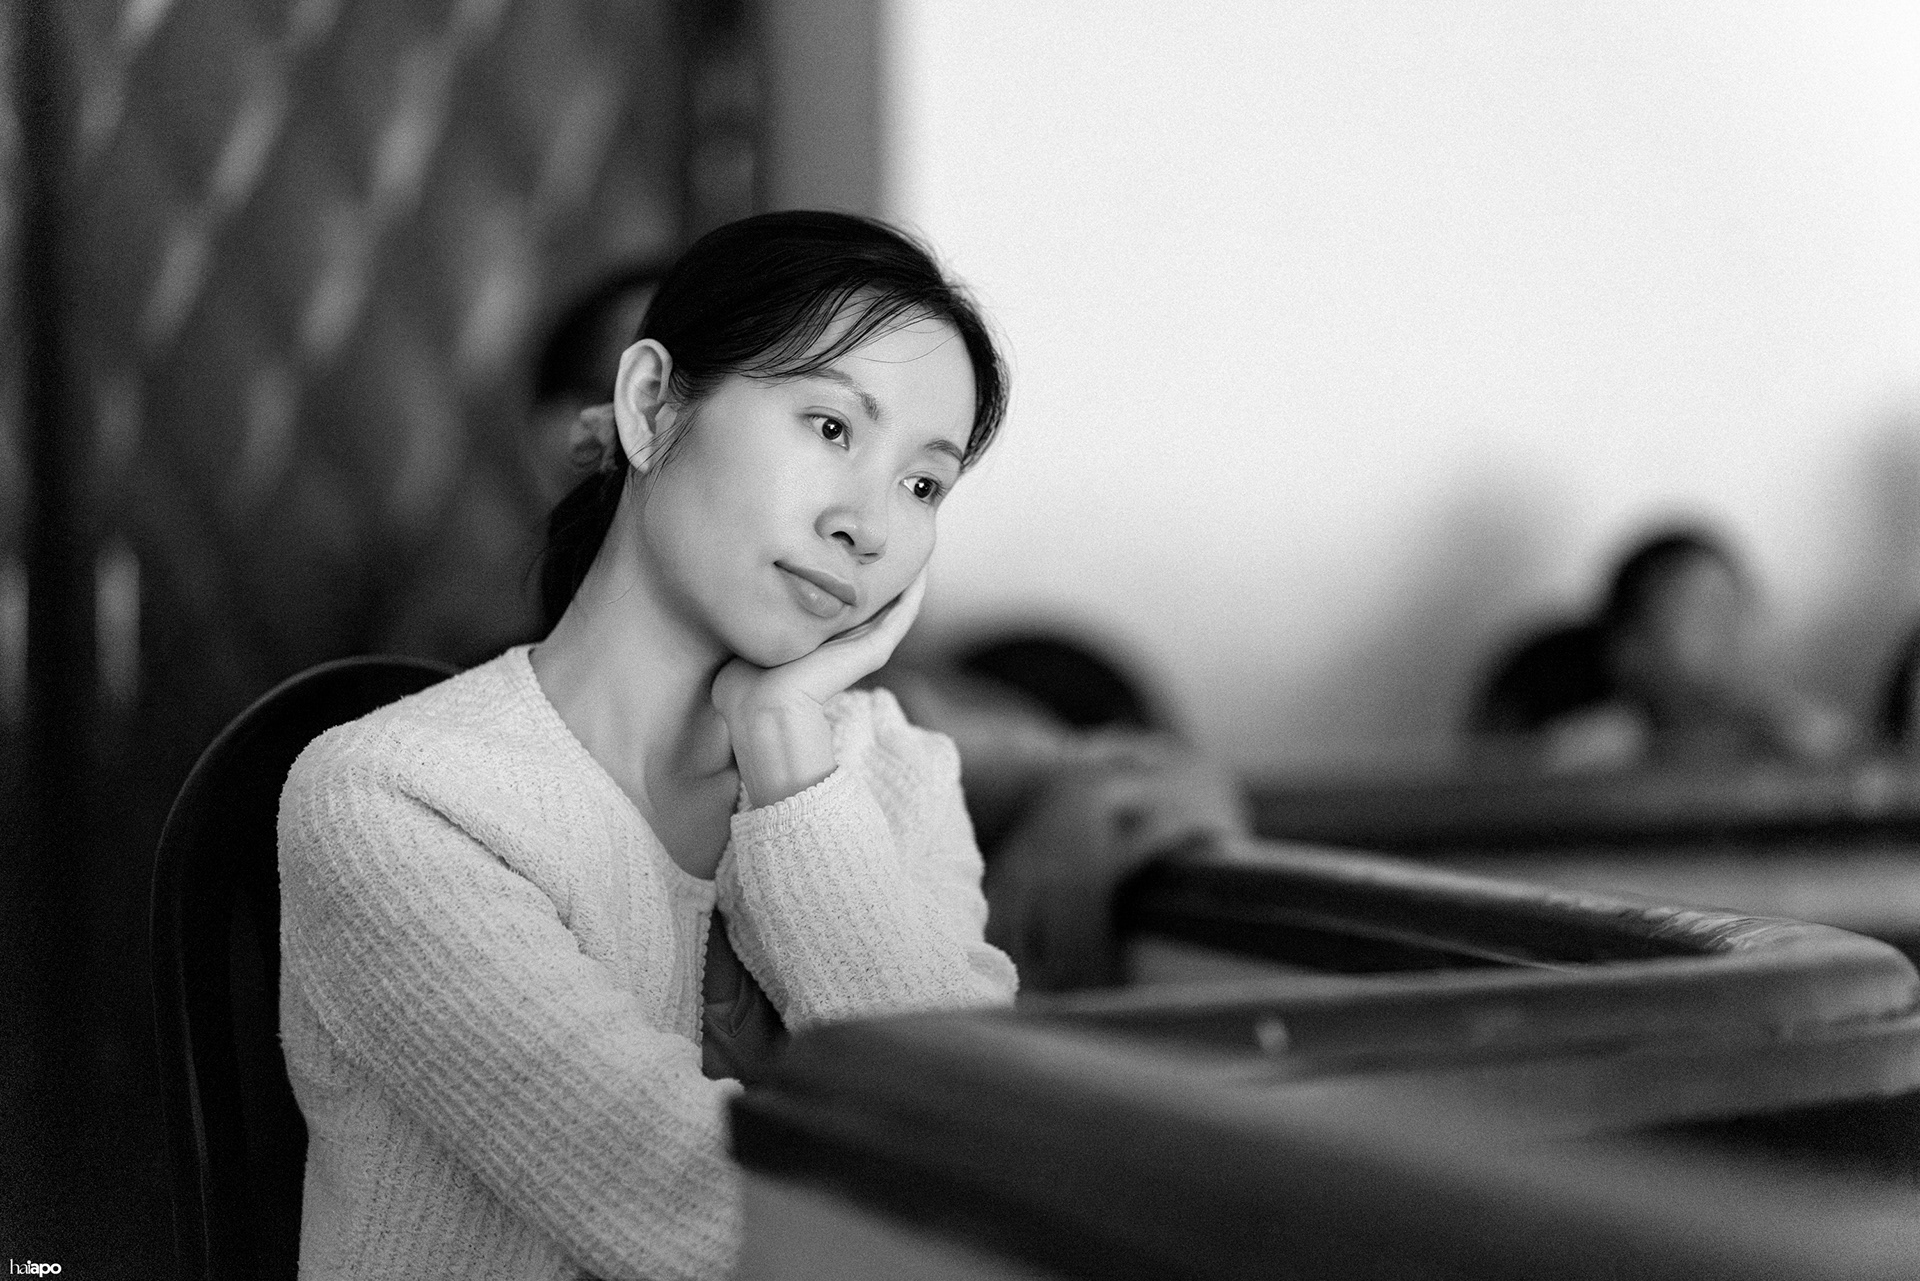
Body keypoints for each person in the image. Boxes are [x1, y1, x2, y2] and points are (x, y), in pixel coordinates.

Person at [277, 211, 1019, 1281]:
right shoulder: (396, 799)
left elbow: (980, 1143)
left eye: (923, 485)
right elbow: (710, 1217)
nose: (868, 524)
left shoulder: (896, 772)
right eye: (830, 426)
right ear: (650, 403)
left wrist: (788, 750)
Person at [1471, 527, 1851, 772]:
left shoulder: (1790, 742)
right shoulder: (1582, 750)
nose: (1730, 637)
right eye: (1703, 615)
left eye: (1737, 611)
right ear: (1629, 647)